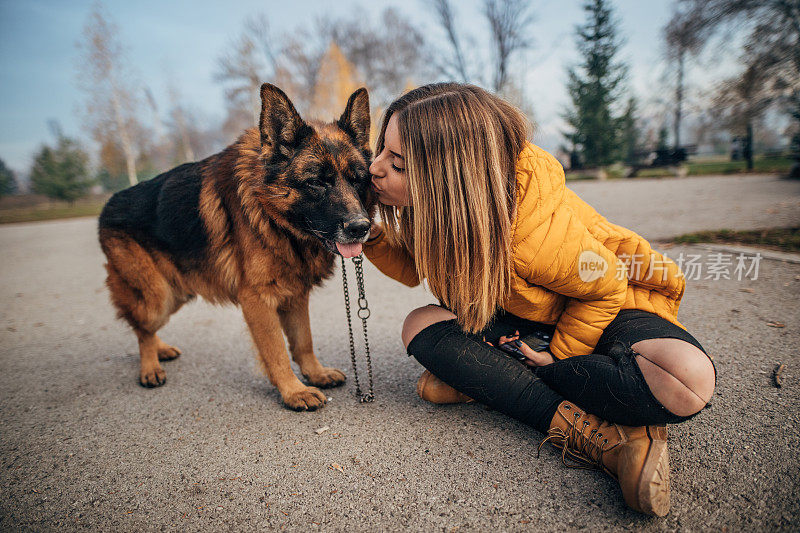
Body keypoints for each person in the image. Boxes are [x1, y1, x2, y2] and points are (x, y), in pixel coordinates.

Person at [362, 82, 716, 517]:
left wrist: (561, 359)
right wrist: (371, 235)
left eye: (395, 163)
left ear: (451, 176)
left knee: (687, 381)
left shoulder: (530, 234)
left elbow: (606, 287)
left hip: (609, 308)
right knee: (419, 325)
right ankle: (605, 440)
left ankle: (501, 383)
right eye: (381, 151)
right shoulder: (443, 210)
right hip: (527, 319)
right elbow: (411, 269)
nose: (373, 168)